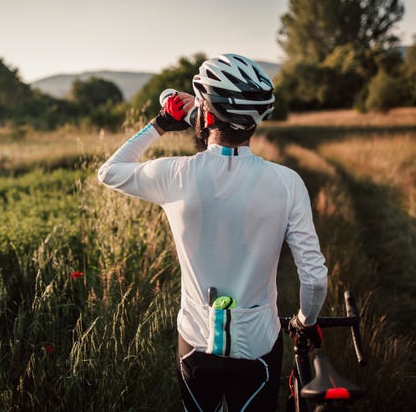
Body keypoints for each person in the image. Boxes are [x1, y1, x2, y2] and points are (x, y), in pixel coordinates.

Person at [98, 53, 328, 411]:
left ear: (205, 113)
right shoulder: (288, 183)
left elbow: (109, 172)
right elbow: (314, 280)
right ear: (255, 121)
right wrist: (304, 320)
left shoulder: (174, 174)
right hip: (258, 345)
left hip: (195, 341)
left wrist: (159, 124)